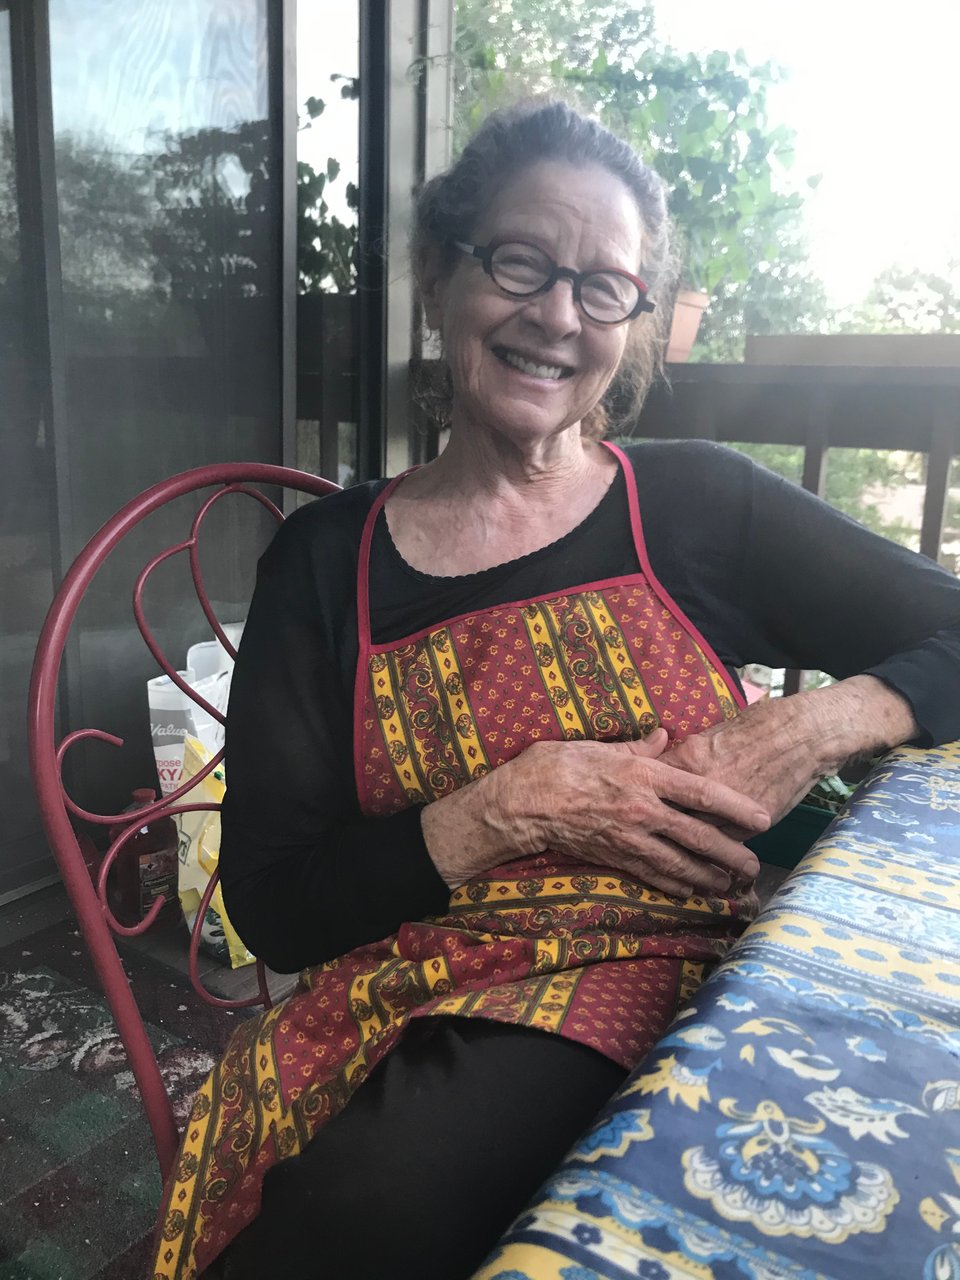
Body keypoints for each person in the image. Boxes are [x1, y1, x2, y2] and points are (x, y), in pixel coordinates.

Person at [152, 100, 960, 1280]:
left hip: (673, 971)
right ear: (441, 275)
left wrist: (819, 721)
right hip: (406, 987)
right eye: (521, 262)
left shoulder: (698, 503)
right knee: (354, 1212)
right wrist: (507, 805)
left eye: (605, 287)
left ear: (636, 321)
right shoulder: (325, 562)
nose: (558, 315)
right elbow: (274, 910)